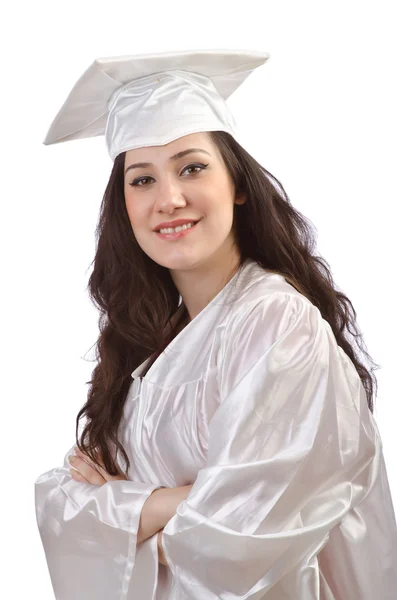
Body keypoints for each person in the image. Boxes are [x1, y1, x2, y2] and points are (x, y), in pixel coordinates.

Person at [35, 49, 397, 599]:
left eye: (192, 167)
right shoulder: (148, 351)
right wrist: (185, 501)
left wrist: (126, 523)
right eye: (142, 180)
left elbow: (242, 537)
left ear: (239, 184)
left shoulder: (276, 322)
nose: (169, 199)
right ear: (123, 207)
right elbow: (61, 498)